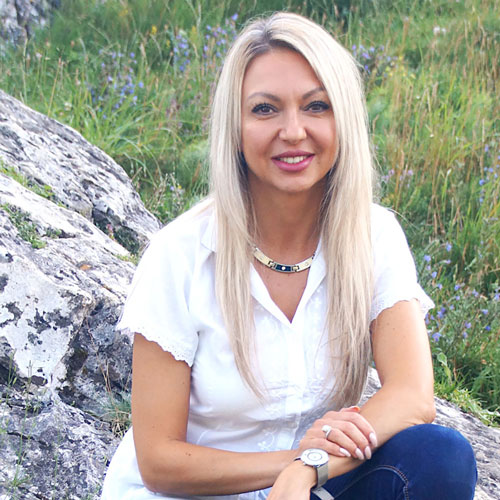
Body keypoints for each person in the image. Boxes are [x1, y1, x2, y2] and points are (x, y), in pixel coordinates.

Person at [101, 12, 477, 500]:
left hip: (308, 489)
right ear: (234, 127)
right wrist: (296, 463)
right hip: (192, 495)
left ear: (343, 119)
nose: (294, 131)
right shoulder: (179, 256)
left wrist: (307, 472)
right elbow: (159, 459)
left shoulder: (374, 235)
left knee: (439, 456)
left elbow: (410, 395)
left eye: (316, 106)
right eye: (265, 109)